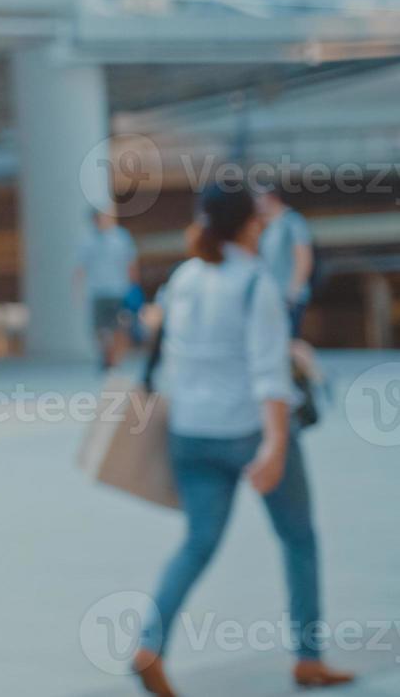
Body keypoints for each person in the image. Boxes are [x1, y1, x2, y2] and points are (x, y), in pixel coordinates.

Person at [132, 180, 354, 696]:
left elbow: (158, 339)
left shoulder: (184, 276)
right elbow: (267, 375)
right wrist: (275, 445)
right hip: (249, 431)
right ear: (251, 224)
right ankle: (308, 657)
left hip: (190, 430)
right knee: (298, 537)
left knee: (197, 543)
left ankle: (149, 644)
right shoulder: (256, 283)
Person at [77, 208, 139, 371]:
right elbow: (81, 269)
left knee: (119, 328)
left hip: (118, 290)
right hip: (97, 291)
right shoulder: (88, 241)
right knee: (99, 329)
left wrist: (134, 287)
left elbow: (131, 264)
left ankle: (114, 360)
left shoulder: (120, 237)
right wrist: (79, 291)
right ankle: (107, 356)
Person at [255, 183, 315, 338]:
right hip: (274, 296)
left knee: (290, 341)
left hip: (289, 296)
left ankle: (309, 363)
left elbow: (304, 257)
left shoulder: (291, 222)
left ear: (271, 198)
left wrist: (293, 292)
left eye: (258, 197)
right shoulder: (266, 225)